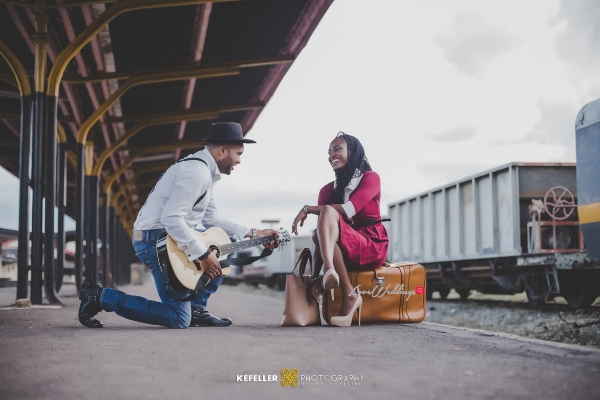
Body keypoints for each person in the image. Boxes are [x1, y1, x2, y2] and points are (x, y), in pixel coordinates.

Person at [78, 122, 279, 329]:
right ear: (222, 150)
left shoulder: (205, 172)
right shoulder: (197, 173)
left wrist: (256, 234)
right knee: (178, 318)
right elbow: (172, 219)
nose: (239, 160)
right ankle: (101, 297)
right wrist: (202, 254)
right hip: (153, 240)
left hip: (166, 236)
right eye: (239, 153)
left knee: (228, 241)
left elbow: (212, 220)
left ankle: (196, 309)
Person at [292, 132, 388, 327]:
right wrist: (316, 277)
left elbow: (348, 209)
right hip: (342, 251)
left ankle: (331, 270)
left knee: (328, 211)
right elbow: (321, 236)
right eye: (329, 152)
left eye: (337, 149)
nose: (331, 155)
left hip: (370, 245)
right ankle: (348, 294)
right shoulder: (327, 190)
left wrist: (307, 209)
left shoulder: (371, 178)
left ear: (352, 152)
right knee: (318, 230)